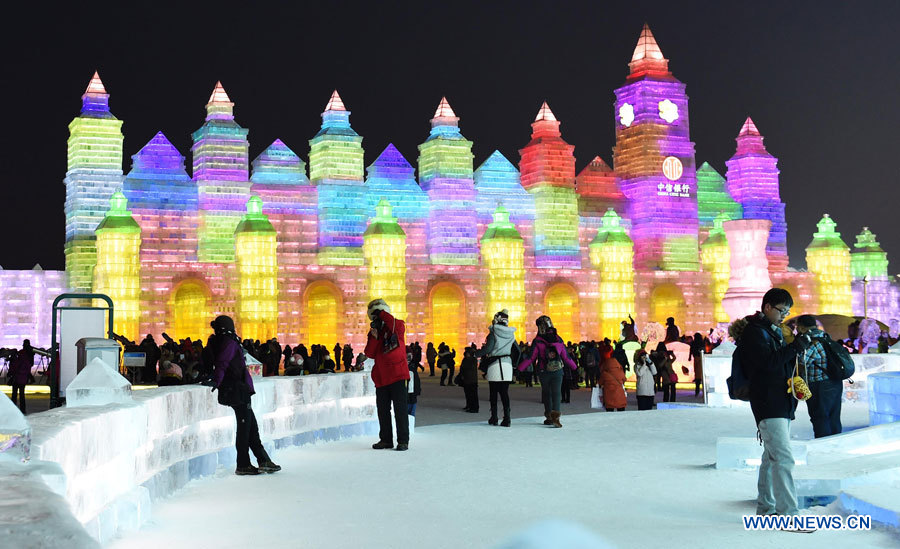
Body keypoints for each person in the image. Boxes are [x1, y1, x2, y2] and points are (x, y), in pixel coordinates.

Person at [735, 288, 811, 523]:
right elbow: (767, 365)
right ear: (767, 307)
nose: (783, 315)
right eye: (781, 310)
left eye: (787, 311)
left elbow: (777, 364)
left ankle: (766, 508)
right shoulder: (755, 333)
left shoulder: (770, 331)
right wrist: (795, 347)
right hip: (769, 402)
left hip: (780, 400)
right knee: (784, 458)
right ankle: (788, 513)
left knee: (771, 458)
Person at [203, 315, 281, 476]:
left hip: (235, 389)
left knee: (251, 426)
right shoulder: (229, 342)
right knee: (246, 428)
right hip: (237, 389)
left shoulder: (220, 341)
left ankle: (263, 460)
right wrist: (216, 380)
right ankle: (243, 464)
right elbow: (222, 363)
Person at [365, 299, 410, 451]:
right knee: (383, 411)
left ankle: (403, 440)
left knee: (400, 410)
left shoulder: (397, 326)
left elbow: (393, 324)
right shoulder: (375, 332)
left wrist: (382, 315)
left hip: (398, 375)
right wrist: (375, 337)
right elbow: (369, 353)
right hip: (382, 378)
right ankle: (386, 440)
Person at [517, 316, 577, 428]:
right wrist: (574, 367)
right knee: (557, 393)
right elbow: (566, 357)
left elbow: (531, 358)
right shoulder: (558, 339)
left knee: (546, 393)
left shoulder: (538, 341)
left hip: (544, 371)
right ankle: (556, 417)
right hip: (557, 370)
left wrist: (519, 368)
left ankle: (549, 417)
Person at [796, 315, 843, 438]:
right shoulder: (827, 337)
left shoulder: (812, 342)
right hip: (836, 382)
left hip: (819, 386)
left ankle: (824, 450)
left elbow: (801, 364)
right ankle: (836, 446)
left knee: (820, 418)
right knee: (834, 417)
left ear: (801, 327)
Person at [475, 309, 517, 426]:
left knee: (493, 393)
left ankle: (494, 417)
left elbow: (487, 349)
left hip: (495, 364)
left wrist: (475, 354)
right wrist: (515, 365)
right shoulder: (511, 334)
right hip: (507, 364)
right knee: (505, 393)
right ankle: (507, 418)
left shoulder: (493, 333)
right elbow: (517, 350)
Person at [8, 340, 34, 413]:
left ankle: (13, 410)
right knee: (22, 395)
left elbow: (14, 366)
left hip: (17, 378)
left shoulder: (20, 355)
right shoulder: (29, 355)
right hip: (23, 378)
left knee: (14, 394)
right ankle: (23, 410)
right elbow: (29, 366)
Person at [458, 347, 479, 413]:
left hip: (471, 380)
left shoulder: (473, 360)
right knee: (468, 393)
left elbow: (467, 368)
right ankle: (469, 405)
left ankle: (474, 407)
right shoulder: (466, 359)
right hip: (466, 379)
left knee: (473, 394)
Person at [689, 332, 705, 397]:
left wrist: (689, 357)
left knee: (697, 375)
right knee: (701, 374)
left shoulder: (693, 343)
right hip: (701, 358)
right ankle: (703, 391)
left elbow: (691, 350)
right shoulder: (701, 342)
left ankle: (697, 391)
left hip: (696, 358)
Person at [407, 351, 421, 417]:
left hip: (409, 395)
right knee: (411, 413)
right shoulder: (412, 369)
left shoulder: (411, 369)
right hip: (410, 395)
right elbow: (416, 382)